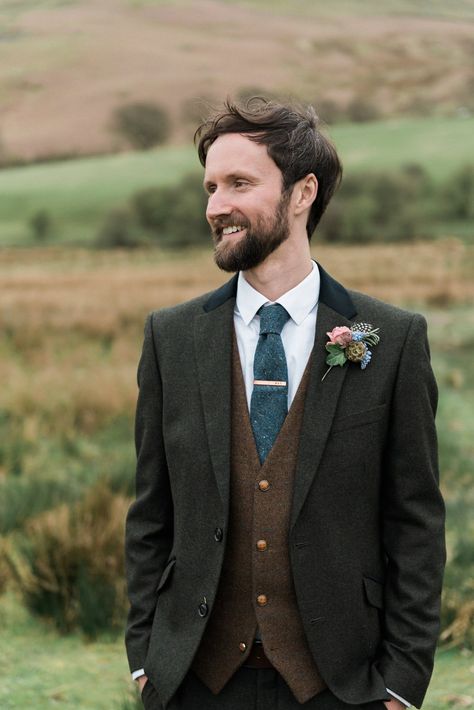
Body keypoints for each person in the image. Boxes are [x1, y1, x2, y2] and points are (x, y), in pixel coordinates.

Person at [124, 98, 445, 710]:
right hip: (194, 679)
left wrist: (401, 684)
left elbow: (416, 524)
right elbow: (150, 512)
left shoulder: (394, 338)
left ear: (303, 193)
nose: (217, 206)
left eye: (239, 183)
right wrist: (146, 659)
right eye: (211, 187)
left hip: (342, 682)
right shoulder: (171, 337)